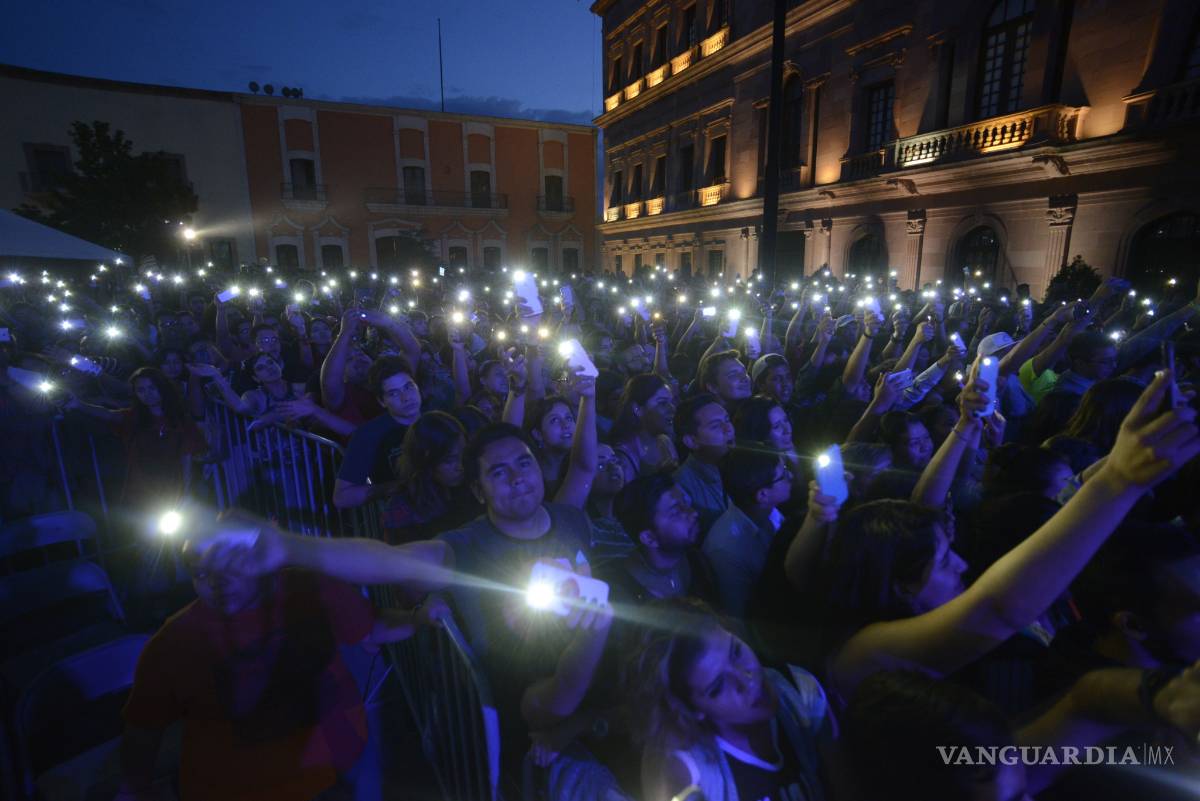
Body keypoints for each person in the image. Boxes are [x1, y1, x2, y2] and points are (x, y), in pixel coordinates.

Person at [818, 370, 1200, 701]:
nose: (962, 565)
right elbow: (996, 609)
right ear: (899, 583)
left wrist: (968, 423)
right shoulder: (865, 651)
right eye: (945, 561)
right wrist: (1118, 480)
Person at [118, 537, 449, 801]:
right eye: (201, 574)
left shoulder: (307, 588)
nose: (218, 583)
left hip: (330, 776)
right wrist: (135, 788)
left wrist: (418, 618)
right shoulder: (175, 640)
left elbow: (371, 627)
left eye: (229, 566)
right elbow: (143, 728)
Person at [434, 423, 612, 789]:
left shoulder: (570, 520)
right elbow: (398, 564)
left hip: (605, 690)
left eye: (524, 463)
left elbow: (583, 468)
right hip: (535, 714)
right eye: (499, 473)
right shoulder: (466, 546)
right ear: (478, 490)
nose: (517, 478)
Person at [627, 599, 830, 801]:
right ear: (692, 709)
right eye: (718, 687)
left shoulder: (797, 689)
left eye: (736, 651)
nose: (747, 679)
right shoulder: (682, 768)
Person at [66, 366, 205, 510]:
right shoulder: (134, 418)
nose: (148, 394)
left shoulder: (181, 421)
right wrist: (79, 405)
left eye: (152, 388)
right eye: (141, 390)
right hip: (140, 492)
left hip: (172, 488)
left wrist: (186, 492)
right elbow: (109, 414)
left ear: (162, 387)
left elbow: (187, 457)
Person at [703, 446, 793, 616]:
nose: (791, 476)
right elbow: (739, 616)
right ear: (762, 495)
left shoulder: (768, 510)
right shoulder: (726, 550)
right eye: (784, 475)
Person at [603, 473, 715, 605]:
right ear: (649, 538)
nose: (693, 512)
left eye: (685, 502)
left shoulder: (696, 561)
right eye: (676, 512)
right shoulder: (620, 595)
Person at [333, 356, 422, 508]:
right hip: (407, 514)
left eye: (408, 387)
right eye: (394, 393)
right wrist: (396, 487)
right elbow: (342, 497)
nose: (406, 398)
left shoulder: (436, 417)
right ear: (382, 401)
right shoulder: (369, 434)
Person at [381, 411, 480, 544]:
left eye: (463, 453)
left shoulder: (474, 482)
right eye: (449, 460)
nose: (460, 466)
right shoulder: (403, 509)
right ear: (425, 462)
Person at [672, 393, 734, 537]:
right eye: (716, 426)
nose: (728, 429)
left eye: (727, 420)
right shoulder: (681, 486)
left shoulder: (741, 464)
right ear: (691, 441)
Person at [609, 374, 678, 482]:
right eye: (662, 403)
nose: (672, 409)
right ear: (637, 409)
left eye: (672, 402)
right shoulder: (624, 455)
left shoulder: (665, 442)